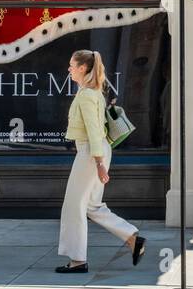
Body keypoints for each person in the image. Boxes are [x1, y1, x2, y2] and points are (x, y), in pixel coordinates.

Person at [56, 49, 146, 273]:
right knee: (92, 206)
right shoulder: (92, 92)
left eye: (72, 65)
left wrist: (98, 163)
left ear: (83, 68)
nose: (69, 69)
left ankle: (77, 260)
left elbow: (95, 130)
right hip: (96, 151)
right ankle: (133, 239)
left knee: (73, 207)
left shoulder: (87, 95)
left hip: (90, 152)